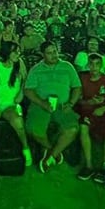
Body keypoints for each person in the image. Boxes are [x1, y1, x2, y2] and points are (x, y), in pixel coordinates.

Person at [24, 41, 81, 173]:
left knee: (72, 129)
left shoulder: (67, 67)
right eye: (49, 53)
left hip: (63, 105)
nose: (54, 55)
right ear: (43, 55)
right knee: (33, 130)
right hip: (41, 104)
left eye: (55, 51)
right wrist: (42, 103)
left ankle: (50, 156)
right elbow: (28, 90)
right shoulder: (36, 69)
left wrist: (71, 103)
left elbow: (77, 87)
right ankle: (54, 151)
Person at [0, 42, 32, 167]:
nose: (17, 54)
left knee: (18, 121)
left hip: (11, 104)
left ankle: (26, 148)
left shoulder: (20, 64)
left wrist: (21, 92)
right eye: (14, 52)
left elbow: (25, 82)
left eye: (18, 51)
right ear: (7, 53)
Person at [75, 53, 105, 181]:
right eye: (91, 64)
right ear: (88, 65)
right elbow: (78, 100)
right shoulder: (82, 78)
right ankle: (88, 165)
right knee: (83, 127)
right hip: (87, 112)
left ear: (101, 65)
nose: (94, 67)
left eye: (97, 64)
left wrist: (103, 108)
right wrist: (89, 102)